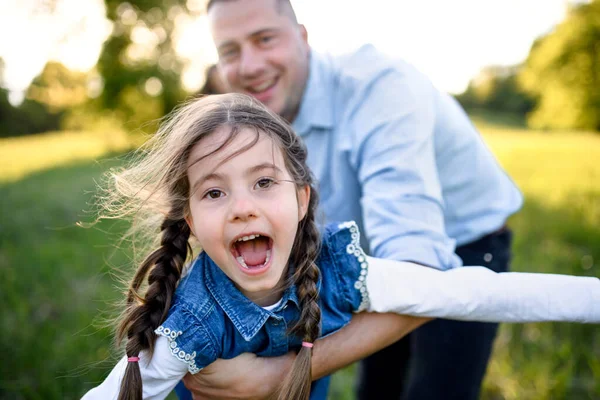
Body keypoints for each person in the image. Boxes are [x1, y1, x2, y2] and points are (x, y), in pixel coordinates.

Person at [81, 94, 600, 400]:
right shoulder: (188, 326)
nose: (242, 207)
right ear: (191, 220)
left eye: (264, 182)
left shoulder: (342, 270)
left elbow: (467, 294)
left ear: (302, 199)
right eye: (215, 192)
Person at [187, 0, 527, 398]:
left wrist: (278, 374)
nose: (249, 65)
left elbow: (421, 269)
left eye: (265, 39)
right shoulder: (254, 127)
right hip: (370, 258)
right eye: (230, 50)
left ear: (302, 38)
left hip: (459, 248)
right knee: (378, 389)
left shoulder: (380, 89)